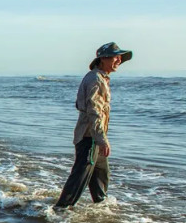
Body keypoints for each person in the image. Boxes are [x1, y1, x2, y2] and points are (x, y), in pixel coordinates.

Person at [55, 42, 132, 208]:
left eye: (120, 58)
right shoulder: (95, 79)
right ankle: (60, 210)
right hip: (89, 137)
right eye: (115, 57)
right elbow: (94, 111)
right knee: (80, 176)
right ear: (103, 59)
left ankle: (101, 208)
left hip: (94, 136)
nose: (119, 60)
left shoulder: (100, 78)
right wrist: (101, 139)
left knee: (101, 175)